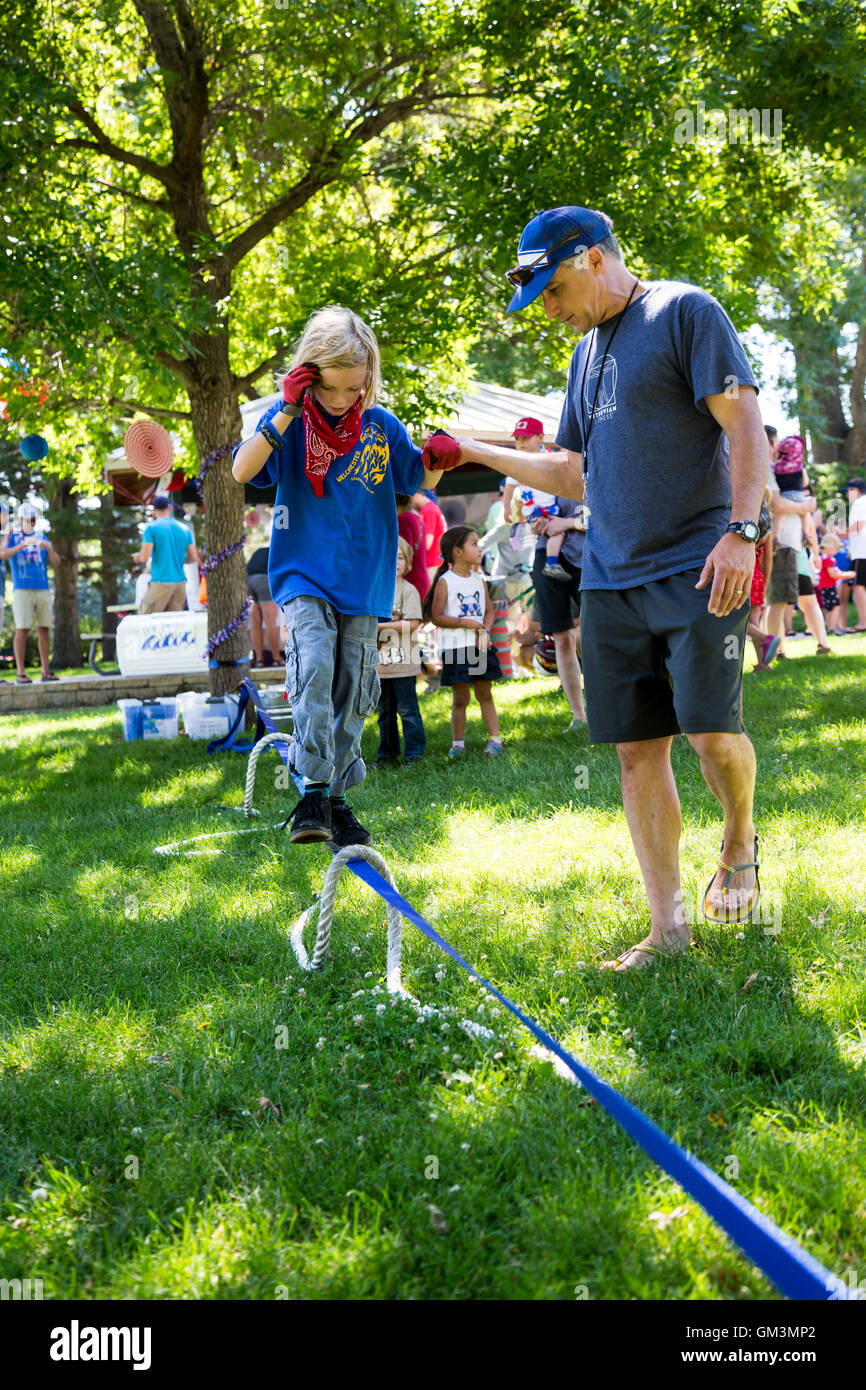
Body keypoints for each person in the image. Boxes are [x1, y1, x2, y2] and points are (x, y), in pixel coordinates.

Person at [429, 204, 771, 970]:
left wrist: (742, 533)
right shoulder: (585, 357)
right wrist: (476, 450)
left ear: (589, 258)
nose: (549, 312)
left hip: (696, 562)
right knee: (635, 754)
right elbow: (573, 473)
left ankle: (740, 834)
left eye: (550, 291)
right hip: (611, 578)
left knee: (711, 735)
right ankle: (669, 929)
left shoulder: (684, 311)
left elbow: (746, 426)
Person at [231, 304, 443, 846]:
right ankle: (311, 790)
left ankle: (337, 800)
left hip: (365, 580)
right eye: (332, 390)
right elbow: (242, 469)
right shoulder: (289, 425)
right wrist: (283, 408)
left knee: (354, 687)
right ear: (309, 375)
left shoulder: (381, 426)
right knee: (316, 664)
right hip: (304, 574)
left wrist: (441, 455)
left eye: (356, 389)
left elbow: (417, 475)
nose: (345, 400)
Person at [423, 526, 503, 757]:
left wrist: (484, 631)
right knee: (461, 697)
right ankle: (457, 744)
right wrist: (465, 623)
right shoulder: (445, 581)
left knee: (484, 693)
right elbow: (437, 616)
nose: (480, 548)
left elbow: (489, 611)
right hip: (456, 649)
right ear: (457, 551)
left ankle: (495, 740)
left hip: (479, 648)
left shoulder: (479, 579)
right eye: (474, 544)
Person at [529, 498, 587, 725]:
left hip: (589, 556)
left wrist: (567, 523)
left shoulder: (591, 467)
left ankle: (609, 709)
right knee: (561, 637)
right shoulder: (542, 468)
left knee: (600, 633)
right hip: (548, 556)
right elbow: (517, 513)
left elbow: (609, 516)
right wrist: (535, 522)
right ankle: (579, 715)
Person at [374, 536, 426, 765]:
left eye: (400, 558)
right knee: (384, 713)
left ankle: (414, 754)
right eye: (390, 558)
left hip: (404, 664)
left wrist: (381, 626)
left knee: (408, 712)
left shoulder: (408, 590)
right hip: (380, 665)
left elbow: (413, 623)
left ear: (408, 562)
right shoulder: (375, 590)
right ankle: (387, 755)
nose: (395, 562)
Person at [0, 501, 61, 683]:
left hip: (42, 588)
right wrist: (23, 544)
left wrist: (47, 547)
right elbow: (4, 554)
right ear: (21, 519)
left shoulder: (43, 537)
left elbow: (57, 562)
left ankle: (46, 671)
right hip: (22, 589)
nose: (30, 522)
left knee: (44, 629)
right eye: (27, 519)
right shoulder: (12, 536)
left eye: (33, 519)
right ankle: (21, 673)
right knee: (22, 629)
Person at [506, 417, 570, 578]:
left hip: (551, 508)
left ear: (540, 437)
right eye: (517, 439)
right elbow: (509, 486)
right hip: (533, 511)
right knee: (555, 532)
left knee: (556, 531)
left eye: (525, 438)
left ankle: (551, 563)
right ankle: (551, 563)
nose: (520, 443)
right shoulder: (516, 462)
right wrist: (506, 508)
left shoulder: (551, 458)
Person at [132, 495, 199, 613]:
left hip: (161, 581)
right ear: (170, 508)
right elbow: (194, 558)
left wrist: (136, 557)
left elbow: (144, 557)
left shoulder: (151, 528)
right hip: (180, 583)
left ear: (154, 511)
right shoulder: (184, 528)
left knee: (146, 619)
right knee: (174, 627)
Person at [745, 491, 778, 671]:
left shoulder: (743, 521)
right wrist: (765, 581)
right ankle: (762, 664)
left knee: (737, 621)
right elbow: (769, 560)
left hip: (743, 574)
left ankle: (767, 638)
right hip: (757, 576)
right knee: (754, 620)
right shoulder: (766, 526)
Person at [246, 544, 282, 667]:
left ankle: (259, 660)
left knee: (255, 624)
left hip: (248, 580)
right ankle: (276, 658)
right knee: (270, 622)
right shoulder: (278, 551)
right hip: (263, 579)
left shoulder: (261, 551)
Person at [816, 533, 855, 636]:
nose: (836, 551)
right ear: (829, 547)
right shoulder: (828, 560)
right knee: (835, 606)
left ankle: (830, 627)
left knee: (829, 607)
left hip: (824, 587)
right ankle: (833, 627)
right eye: (835, 548)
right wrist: (847, 575)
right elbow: (833, 574)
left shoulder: (822, 558)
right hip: (829, 587)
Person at [395, 493, 429, 600]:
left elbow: (402, 553)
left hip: (409, 580)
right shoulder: (418, 519)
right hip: (422, 578)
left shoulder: (402, 520)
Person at [844, 476, 866, 632]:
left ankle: (863, 622)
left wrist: (839, 533)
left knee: (859, 587)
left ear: (856, 490)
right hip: (859, 551)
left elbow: (859, 525)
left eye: (849, 491)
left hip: (862, 552)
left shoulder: (860, 502)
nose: (847, 495)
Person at [413, 489, 446, 589]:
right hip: (437, 560)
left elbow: (427, 542)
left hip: (431, 561)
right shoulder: (432, 508)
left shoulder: (427, 511)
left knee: (427, 594)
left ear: (416, 496)